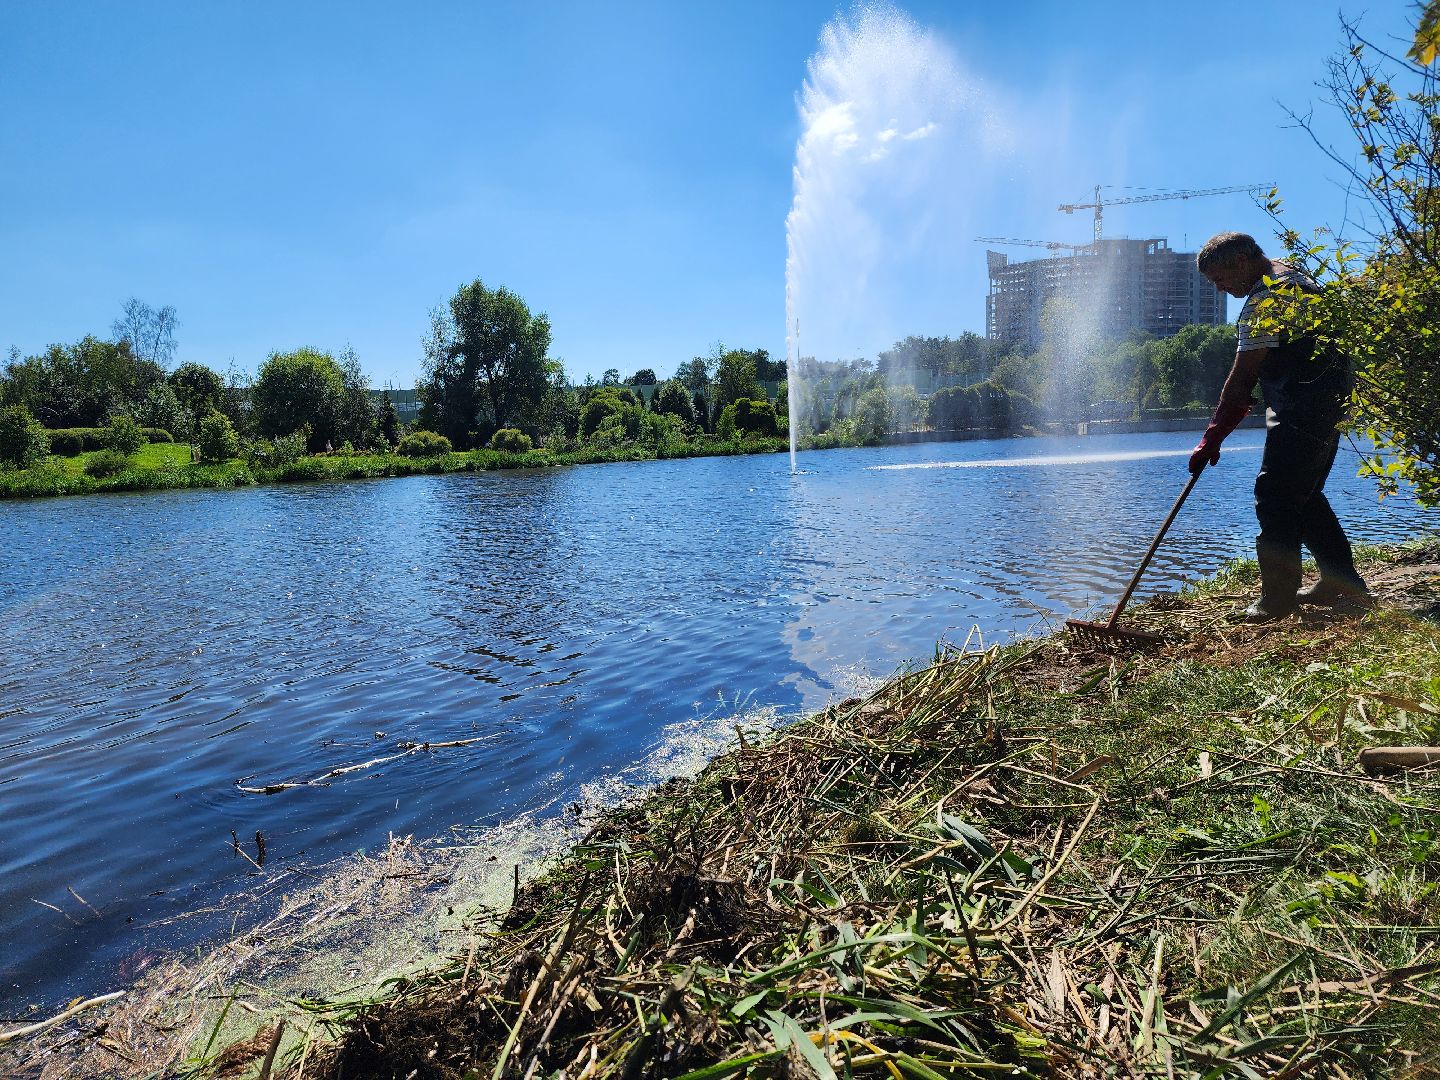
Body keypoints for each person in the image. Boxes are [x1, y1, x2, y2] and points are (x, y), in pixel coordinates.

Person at [1190, 231, 1369, 622]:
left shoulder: (1265, 300)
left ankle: (1276, 599)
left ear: (1241, 261)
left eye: (1219, 278)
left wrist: (1211, 437)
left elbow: (1240, 384)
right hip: (1330, 403)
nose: (1220, 289)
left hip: (1301, 407)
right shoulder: (1298, 278)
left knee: (1275, 495)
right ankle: (1341, 583)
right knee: (1303, 494)